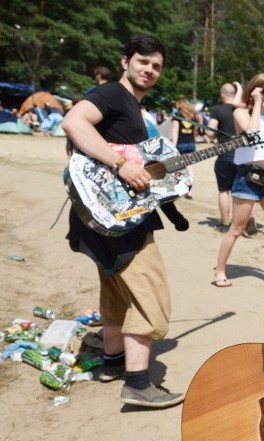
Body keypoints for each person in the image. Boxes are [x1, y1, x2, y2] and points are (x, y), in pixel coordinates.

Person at [61, 34, 184, 408]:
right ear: (125, 61)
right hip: (116, 220)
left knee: (116, 293)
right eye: (143, 61)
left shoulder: (131, 105)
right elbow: (73, 122)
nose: (149, 70)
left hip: (106, 215)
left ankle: (113, 361)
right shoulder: (114, 94)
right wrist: (121, 165)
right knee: (151, 294)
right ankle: (138, 383)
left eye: (156, 65)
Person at [213, 72, 264, 287]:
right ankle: (220, 271)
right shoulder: (241, 112)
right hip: (246, 177)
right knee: (237, 229)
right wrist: (258, 103)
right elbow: (251, 132)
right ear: (254, 90)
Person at [207, 81, 243, 230]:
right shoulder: (242, 110)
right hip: (242, 155)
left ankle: (225, 223)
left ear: (222, 95)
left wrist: (214, 137)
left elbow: (210, 131)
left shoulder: (217, 110)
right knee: (242, 192)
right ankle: (242, 223)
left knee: (224, 191)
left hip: (225, 155)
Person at [171, 98, 200, 198]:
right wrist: (194, 140)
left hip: (180, 144)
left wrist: (173, 146)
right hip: (191, 144)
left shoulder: (177, 116)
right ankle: (190, 191)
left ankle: (180, 189)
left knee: (179, 168)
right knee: (190, 168)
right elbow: (195, 132)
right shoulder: (193, 117)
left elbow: (175, 132)